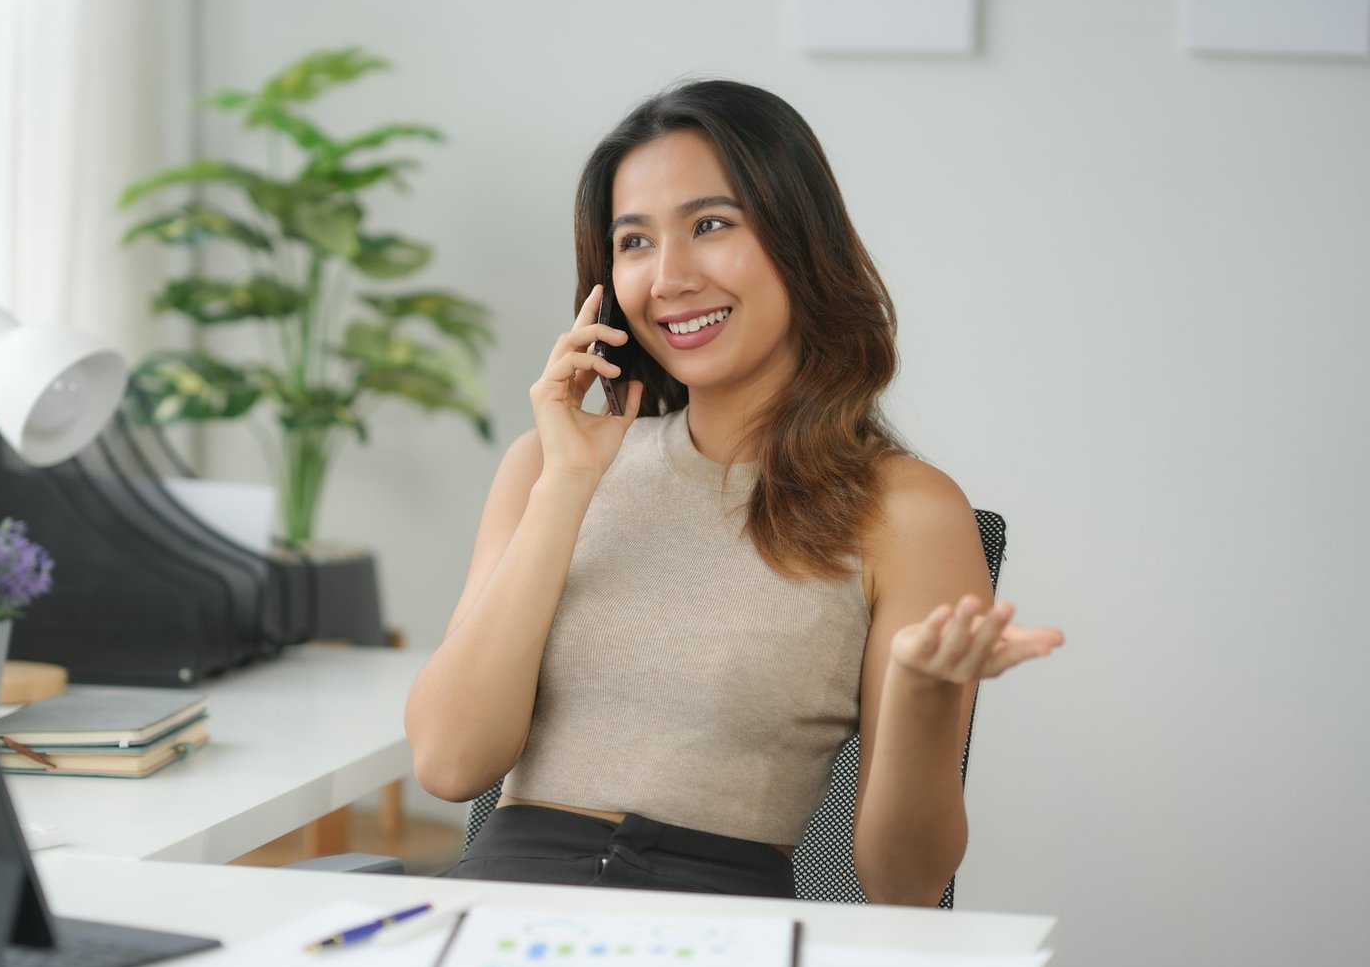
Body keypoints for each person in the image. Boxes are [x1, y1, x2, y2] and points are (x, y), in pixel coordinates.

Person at [404, 80, 1063, 904]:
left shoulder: (908, 512)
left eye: (710, 226)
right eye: (635, 242)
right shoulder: (546, 466)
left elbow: (904, 884)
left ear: (799, 241)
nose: (670, 277)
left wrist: (926, 697)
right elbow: (449, 763)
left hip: (717, 946)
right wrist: (567, 487)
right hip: (500, 921)